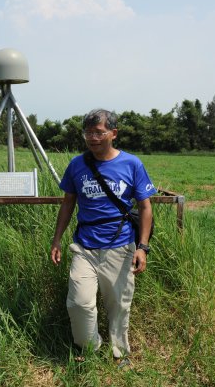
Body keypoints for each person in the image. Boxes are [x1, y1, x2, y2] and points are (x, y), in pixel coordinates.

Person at [50, 108, 156, 365]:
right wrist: (57, 240)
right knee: (79, 303)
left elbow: (145, 207)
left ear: (113, 134)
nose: (92, 137)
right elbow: (67, 204)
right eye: (88, 132)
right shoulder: (77, 164)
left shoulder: (132, 164)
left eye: (98, 132)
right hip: (84, 247)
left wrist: (142, 247)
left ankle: (120, 353)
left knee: (118, 305)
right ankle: (90, 349)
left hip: (120, 247)